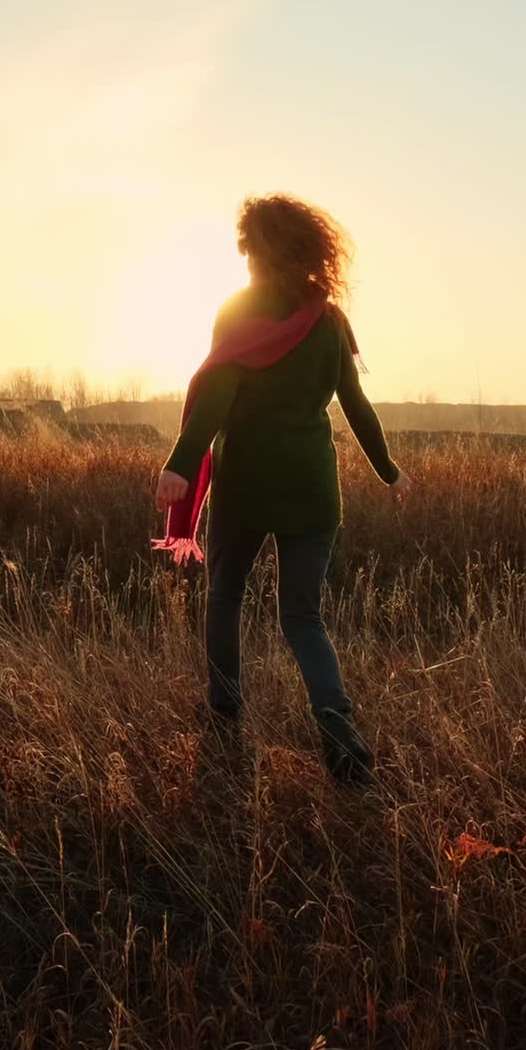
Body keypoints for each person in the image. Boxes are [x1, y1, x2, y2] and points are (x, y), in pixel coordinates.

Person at [154, 193, 411, 785]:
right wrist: (388, 470)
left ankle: (224, 716)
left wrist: (180, 464)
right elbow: (357, 405)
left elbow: (215, 398)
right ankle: (339, 733)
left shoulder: (236, 311)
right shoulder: (329, 318)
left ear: (254, 249)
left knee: (224, 597)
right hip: (314, 490)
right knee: (303, 617)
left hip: (246, 484)